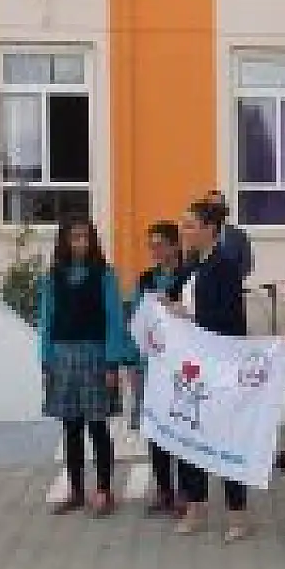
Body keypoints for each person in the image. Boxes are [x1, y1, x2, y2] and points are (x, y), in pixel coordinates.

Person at [163, 200, 252, 541]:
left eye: (189, 225)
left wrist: (190, 316)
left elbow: (231, 319)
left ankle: (237, 514)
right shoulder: (190, 264)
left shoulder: (225, 266)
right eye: (183, 225)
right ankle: (195, 507)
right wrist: (165, 304)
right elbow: (176, 297)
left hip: (220, 364)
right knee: (190, 433)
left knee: (225, 437)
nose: (184, 231)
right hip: (191, 363)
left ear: (210, 229)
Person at [38, 217, 132, 517]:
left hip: (95, 356)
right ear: (64, 241)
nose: (80, 242)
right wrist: (47, 361)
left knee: (98, 427)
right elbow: (46, 320)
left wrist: (112, 362)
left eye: (85, 237)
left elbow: (114, 319)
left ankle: (104, 490)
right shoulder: (53, 277)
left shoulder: (104, 275)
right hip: (63, 357)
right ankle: (76, 490)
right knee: (71, 428)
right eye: (74, 237)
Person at [126, 220, 184, 517]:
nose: (155, 251)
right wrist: (134, 364)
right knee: (156, 430)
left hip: (181, 366)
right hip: (151, 364)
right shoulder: (146, 279)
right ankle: (164, 492)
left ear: (175, 245)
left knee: (182, 427)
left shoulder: (188, 276)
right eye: (151, 246)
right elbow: (138, 322)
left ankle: (187, 494)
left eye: (160, 245)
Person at [203, 189, 254, 280]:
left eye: (218, 207)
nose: (214, 212)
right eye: (211, 207)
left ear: (225, 209)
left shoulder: (239, 236)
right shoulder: (197, 235)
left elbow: (246, 266)